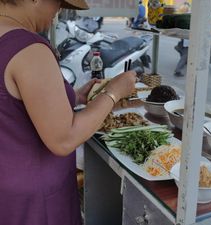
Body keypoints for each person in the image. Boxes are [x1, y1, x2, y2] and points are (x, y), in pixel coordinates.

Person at [0, 0, 136, 225]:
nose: (58, 12)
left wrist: (73, 96)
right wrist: (113, 93)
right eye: (58, 3)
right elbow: (64, 138)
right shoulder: (28, 48)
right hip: (34, 200)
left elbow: (12, 102)